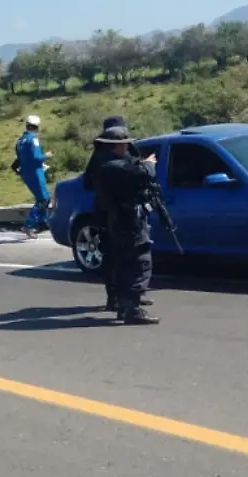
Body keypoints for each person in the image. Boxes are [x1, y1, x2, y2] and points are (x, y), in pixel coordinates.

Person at [92, 125, 160, 325]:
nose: (127, 147)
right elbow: (143, 173)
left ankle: (124, 305)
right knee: (140, 263)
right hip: (127, 221)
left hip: (119, 220)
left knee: (124, 265)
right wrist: (149, 164)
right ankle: (133, 309)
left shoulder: (105, 164)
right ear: (118, 145)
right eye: (125, 144)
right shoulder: (115, 166)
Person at [83, 116, 151, 312]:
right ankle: (116, 298)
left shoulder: (127, 151)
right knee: (117, 256)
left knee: (125, 257)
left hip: (120, 209)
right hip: (110, 211)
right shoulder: (102, 157)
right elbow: (89, 182)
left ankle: (128, 296)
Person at [12, 115, 52, 236]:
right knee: (43, 199)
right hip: (35, 173)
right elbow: (36, 158)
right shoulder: (33, 139)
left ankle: (43, 223)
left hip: (26, 173)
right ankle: (29, 225)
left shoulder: (20, 140)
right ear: (37, 127)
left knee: (44, 197)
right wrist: (46, 156)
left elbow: (20, 158)